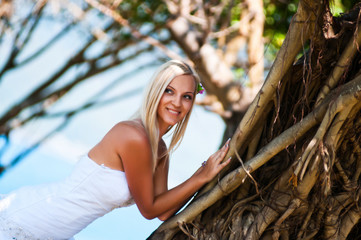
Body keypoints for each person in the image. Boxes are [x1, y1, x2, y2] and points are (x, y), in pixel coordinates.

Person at [0, 60, 231, 240]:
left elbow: (163, 212)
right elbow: (149, 209)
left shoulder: (160, 150)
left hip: (54, 230)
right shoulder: (133, 136)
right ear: (155, 91)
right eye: (169, 91)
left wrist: (203, 178)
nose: (177, 103)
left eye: (187, 96)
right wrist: (200, 176)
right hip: (29, 218)